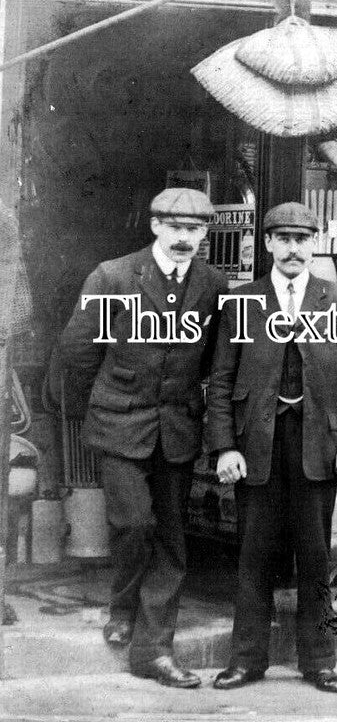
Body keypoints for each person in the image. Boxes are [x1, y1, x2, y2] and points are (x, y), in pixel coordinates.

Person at [55, 188, 227, 688]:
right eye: (174, 227)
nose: (183, 238)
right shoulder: (111, 277)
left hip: (176, 431)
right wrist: (102, 410)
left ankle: (153, 650)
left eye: (194, 230)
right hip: (119, 426)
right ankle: (123, 603)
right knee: (134, 526)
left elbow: (220, 361)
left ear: (204, 235)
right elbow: (77, 355)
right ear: (154, 227)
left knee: (171, 539)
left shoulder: (215, 286)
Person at [205, 202, 337, 693]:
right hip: (257, 445)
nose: (294, 248)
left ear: (313, 244)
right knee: (254, 555)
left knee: (316, 558)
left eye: (303, 238)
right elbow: (221, 381)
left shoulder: (334, 297)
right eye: (284, 238)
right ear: (269, 245)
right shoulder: (243, 300)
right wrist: (224, 448)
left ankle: (318, 661)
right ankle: (246, 660)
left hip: (317, 444)